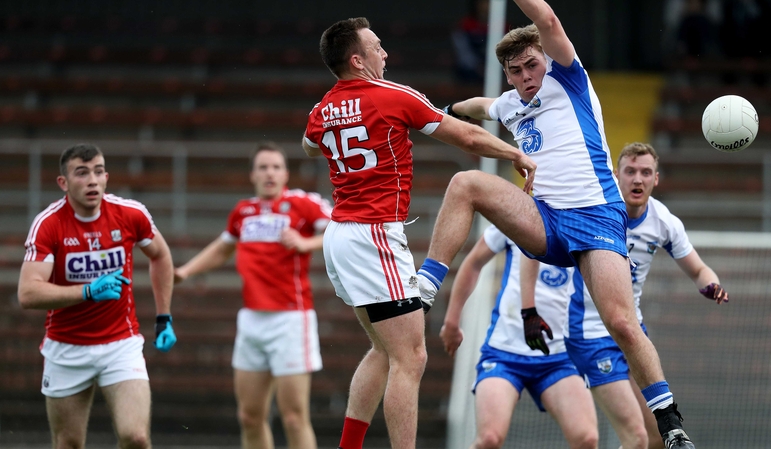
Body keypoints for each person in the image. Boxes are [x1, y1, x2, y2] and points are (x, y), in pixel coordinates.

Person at [417, 0, 696, 447]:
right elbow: (478, 106)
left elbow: (545, 19)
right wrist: (442, 108)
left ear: (546, 59)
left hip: (596, 214)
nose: (527, 76)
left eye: (532, 65)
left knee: (622, 324)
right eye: (516, 71)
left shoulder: (568, 77)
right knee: (465, 183)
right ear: (508, 75)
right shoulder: (509, 103)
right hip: (545, 220)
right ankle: (426, 287)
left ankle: (670, 423)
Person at [302, 17, 536, 449]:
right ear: (357, 60)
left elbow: (309, 144)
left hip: (341, 236)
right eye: (376, 46)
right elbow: (467, 138)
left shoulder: (321, 109)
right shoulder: (392, 95)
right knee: (411, 358)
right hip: (373, 236)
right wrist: (514, 153)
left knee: (384, 351)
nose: (384, 53)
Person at [558, 142, 728, 449]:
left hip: (632, 333)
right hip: (590, 333)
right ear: (616, 175)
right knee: (636, 438)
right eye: (631, 171)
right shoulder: (595, 211)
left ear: (656, 179)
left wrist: (711, 285)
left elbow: (699, 270)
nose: (638, 179)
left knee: (656, 438)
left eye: (646, 172)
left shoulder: (663, 221)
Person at [17, 143, 176, 449]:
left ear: (106, 177)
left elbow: (161, 255)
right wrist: (87, 291)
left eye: (98, 171)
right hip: (67, 347)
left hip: (121, 343)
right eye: (81, 173)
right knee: (68, 444)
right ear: (63, 182)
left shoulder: (130, 213)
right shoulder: (48, 224)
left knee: (136, 438)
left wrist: (164, 317)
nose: (92, 180)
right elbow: (27, 292)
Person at [173, 142, 331, 449]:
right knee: (249, 416)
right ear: (252, 175)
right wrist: (185, 272)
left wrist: (306, 243)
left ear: (286, 174)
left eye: (276, 167)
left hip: (291, 319)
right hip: (252, 319)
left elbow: (341, 230)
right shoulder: (243, 211)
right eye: (263, 167)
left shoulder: (304, 203)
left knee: (294, 417)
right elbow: (223, 248)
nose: (269, 173)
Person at [439, 225, 597, 449]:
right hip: (505, 352)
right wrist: (452, 322)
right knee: (489, 439)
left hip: (560, 356)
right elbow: (474, 262)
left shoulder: (582, 220)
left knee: (587, 439)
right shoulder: (514, 217)